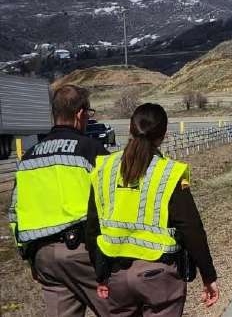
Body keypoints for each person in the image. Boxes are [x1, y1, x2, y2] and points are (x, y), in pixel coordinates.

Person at [87, 103, 220, 317]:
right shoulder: (171, 173)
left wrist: (100, 274)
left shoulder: (104, 167)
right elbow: (190, 227)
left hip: (116, 274)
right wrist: (208, 275)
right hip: (159, 276)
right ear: (164, 134)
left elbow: (92, 227)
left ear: (130, 129)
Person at [8, 85, 110, 317]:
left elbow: (14, 212)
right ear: (80, 114)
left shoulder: (29, 157)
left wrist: (27, 254)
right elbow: (111, 200)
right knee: (121, 309)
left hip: (43, 256)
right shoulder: (91, 149)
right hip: (83, 252)